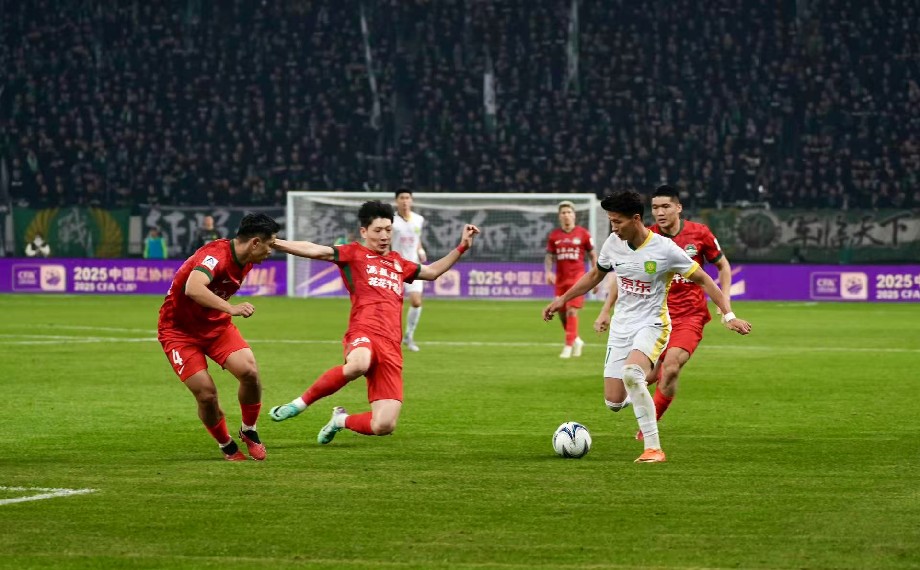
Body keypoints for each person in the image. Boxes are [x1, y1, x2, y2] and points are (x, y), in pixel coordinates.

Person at [543, 191, 751, 463]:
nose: (613, 228)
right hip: (622, 326)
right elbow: (595, 274)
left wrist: (729, 315)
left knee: (631, 373)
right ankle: (642, 386)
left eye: (617, 221)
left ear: (636, 219)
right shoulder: (613, 243)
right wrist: (563, 298)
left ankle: (653, 448)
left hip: (653, 324)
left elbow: (704, 279)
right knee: (614, 402)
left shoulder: (665, 249)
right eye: (611, 221)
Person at [268, 200, 479, 445]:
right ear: (364, 231)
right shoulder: (353, 253)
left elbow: (431, 272)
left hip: (391, 345)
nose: (384, 236)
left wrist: (462, 247)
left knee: (384, 425)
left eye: (388, 230)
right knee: (358, 364)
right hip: (364, 330)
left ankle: (340, 420)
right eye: (378, 230)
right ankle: (298, 404)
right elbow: (316, 250)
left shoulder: (399, 262)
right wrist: (275, 243)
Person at [594, 184, 734, 440]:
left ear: (678, 208)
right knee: (630, 385)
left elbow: (722, 267)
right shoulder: (642, 236)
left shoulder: (699, 233)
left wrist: (725, 306)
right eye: (655, 207)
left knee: (670, 368)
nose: (660, 212)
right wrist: (606, 309)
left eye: (666, 206)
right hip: (652, 315)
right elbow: (624, 278)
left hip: (689, 316)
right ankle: (640, 395)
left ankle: (648, 429)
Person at [157, 213, 280, 461]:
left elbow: (268, 243)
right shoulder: (215, 255)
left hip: (215, 326)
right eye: (270, 245)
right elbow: (193, 288)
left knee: (249, 371)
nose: (271, 252)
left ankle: (249, 430)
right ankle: (227, 445)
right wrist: (231, 308)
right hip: (179, 332)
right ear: (255, 242)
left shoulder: (247, 256)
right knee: (206, 394)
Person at [545, 200, 597, 358]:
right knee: (561, 312)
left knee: (571, 310)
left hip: (578, 279)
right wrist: (548, 272)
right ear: (559, 216)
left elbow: (592, 255)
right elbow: (549, 256)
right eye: (563, 213)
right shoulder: (554, 235)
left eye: (569, 212)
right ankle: (576, 340)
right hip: (561, 280)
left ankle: (568, 347)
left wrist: (596, 276)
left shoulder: (583, 234)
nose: (566, 215)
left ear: (574, 215)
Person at [392, 188, 427, 351]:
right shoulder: (391, 221)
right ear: (396, 201)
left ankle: (409, 336)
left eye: (407, 198)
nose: (405, 201)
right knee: (392, 305)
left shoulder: (419, 219)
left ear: (411, 200)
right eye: (402, 198)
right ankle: (390, 337)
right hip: (394, 267)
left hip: (413, 266)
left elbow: (416, 238)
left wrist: (420, 250)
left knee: (416, 301)